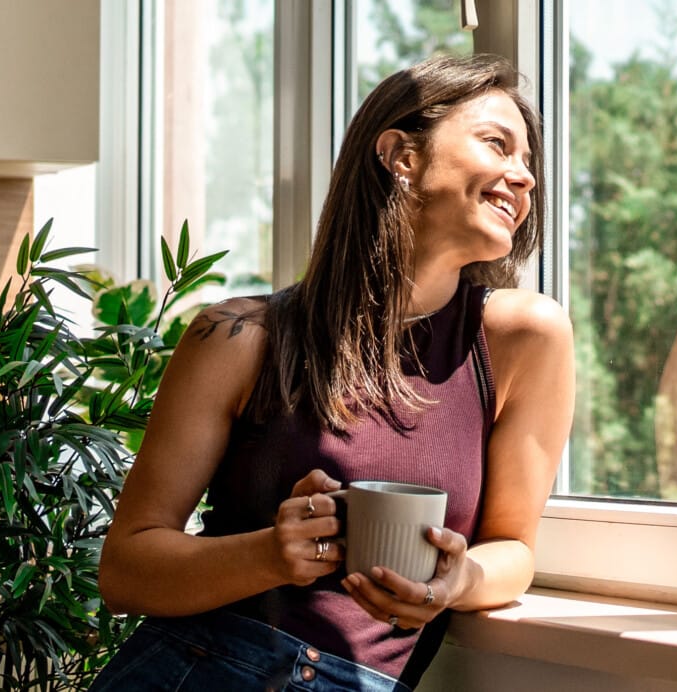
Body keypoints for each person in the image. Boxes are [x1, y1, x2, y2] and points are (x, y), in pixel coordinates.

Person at [91, 54, 574, 691]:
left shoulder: (524, 338)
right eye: (496, 144)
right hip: (197, 667)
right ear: (401, 156)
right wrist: (269, 555)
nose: (525, 176)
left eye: (528, 161)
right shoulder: (237, 337)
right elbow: (125, 571)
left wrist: (457, 582)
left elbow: (513, 548)